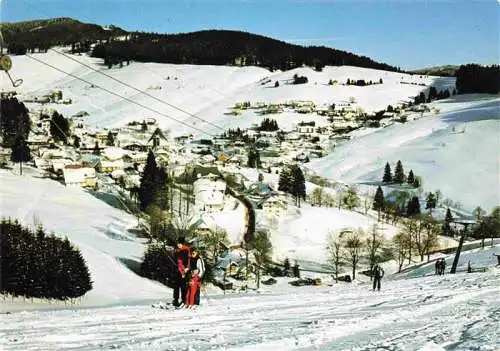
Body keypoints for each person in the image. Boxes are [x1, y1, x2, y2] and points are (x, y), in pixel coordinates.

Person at [172, 237, 190, 307]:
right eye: (178, 243)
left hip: (183, 271)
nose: (178, 245)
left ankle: (184, 300)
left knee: (183, 286)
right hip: (177, 270)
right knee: (176, 286)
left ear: (182, 243)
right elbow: (175, 259)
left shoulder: (186, 250)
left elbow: (187, 261)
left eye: (180, 244)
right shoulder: (177, 250)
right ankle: (175, 300)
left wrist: (185, 270)